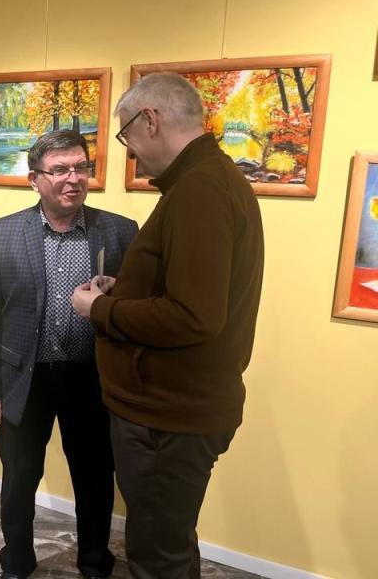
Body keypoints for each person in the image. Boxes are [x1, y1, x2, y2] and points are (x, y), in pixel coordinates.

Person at [71, 72, 265, 579]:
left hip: (167, 418)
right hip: (175, 412)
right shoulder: (206, 181)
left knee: (158, 556)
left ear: (150, 120)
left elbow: (193, 315)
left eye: (126, 136)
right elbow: (191, 290)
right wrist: (126, 289)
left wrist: (99, 310)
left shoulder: (200, 190)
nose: (131, 153)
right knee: (167, 537)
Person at [0, 129, 138, 579]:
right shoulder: (3, 233)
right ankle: (17, 561)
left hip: (93, 379)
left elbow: (134, 310)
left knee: (95, 477)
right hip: (26, 379)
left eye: (81, 167)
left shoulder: (120, 231)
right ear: (35, 179)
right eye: (60, 169)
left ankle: (95, 561)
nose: (73, 178)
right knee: (19, 478)